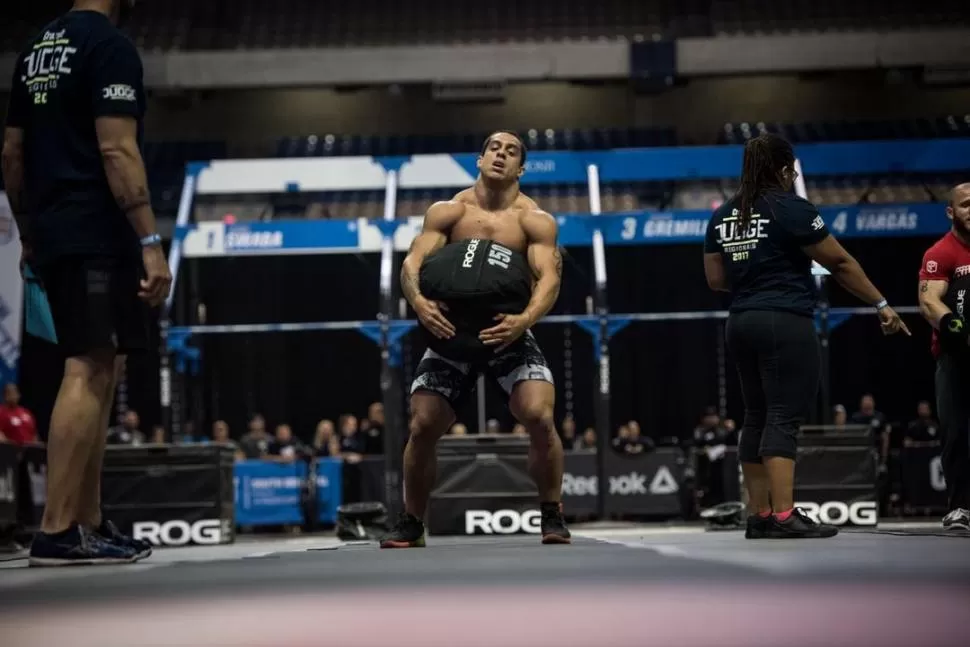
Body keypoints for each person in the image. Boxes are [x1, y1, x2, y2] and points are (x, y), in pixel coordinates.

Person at [2, 0, 169, 566]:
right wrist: (150, 240)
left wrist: (28, 230)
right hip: (95, 228)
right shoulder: (109, 47)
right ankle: (55, 528)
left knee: (105, 361)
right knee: (87, 365)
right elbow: (116, 148)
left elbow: (12, 153)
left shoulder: (36, 50)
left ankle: (88, 521)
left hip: (52, 227)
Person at [703, 133, 909, 540]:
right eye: (791, 170)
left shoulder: (722, 215)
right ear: (782, 170)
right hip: (784, 320)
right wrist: (881, 303)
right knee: (783, 416)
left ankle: (759, 515)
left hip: (740, 321)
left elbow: (715, 280)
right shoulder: (791, 208)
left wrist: (755, 279)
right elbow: (841, 263)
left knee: (756, 416)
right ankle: (784, 516)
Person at [382, 131, 569, 547]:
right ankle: (412, 522)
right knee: (423, 424)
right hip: (450, 334)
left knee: (539, 415)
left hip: (507, 333)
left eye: (512, 152)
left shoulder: (533, 220)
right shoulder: (447, 212)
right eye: (494, 149)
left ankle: (552, 514)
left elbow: (549, 279)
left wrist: (525, 320)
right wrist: (418, 303)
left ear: (521, 167)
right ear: (480, 159)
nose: (501, 155)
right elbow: (412, 262)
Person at [917, 182, 970, 532]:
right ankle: (960, 508)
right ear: (951, 211)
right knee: (956, 435)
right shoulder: (941, 253)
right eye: (967, 205)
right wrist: (959, 328)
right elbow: (929, 302)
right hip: (956, 359)